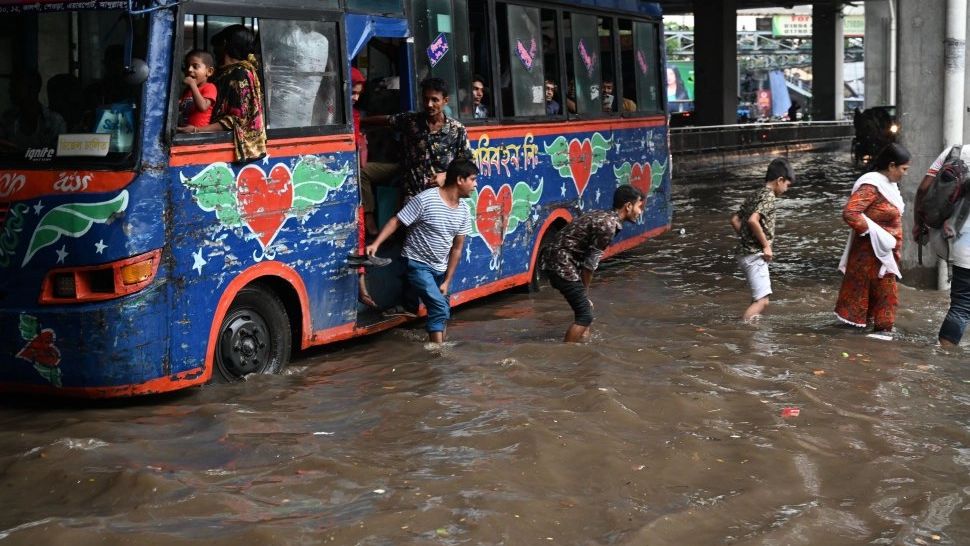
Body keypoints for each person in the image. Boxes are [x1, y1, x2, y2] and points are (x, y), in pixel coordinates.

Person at [364, 159, 478, 343]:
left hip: (440, 268)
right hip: (417, 264)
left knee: (441, 310)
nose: (475, 185)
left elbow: (457, 249)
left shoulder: (464, 210)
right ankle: (439, 352)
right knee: (440, 307)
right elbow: (397, 221)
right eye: (472, 179)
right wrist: (375, 244)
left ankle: (437, 351)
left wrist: (447, 281)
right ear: (459, 180)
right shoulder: (426, 199)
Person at [540, 185, 645, 342]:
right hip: (561, 264)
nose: (640, 212)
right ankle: (566, 355)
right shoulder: (608, 225)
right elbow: (590, 265)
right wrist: (585, 292)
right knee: (585, 316)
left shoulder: (604, 216)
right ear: (628, 206)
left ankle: (583, 345)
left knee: (585, 309)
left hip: (557, 261)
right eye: (639, 206)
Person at [835, 143, 911, 334]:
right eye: (904, 169)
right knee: (887, 300)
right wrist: (879, 234)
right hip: (872, 254)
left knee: (873, 301)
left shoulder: (889, 186)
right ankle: (884, 346)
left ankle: (865, 345)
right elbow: (850, 213)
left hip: (882, 254)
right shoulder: (871, 185)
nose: (905, 173)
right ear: (892, 166)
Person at [361, 77, 473, 200]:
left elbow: (468, 165)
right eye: (426, 99)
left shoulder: (457, 129)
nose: (429, 104)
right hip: (412, 197)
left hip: (440, 199)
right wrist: (357, 122)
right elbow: (386, 120)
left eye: (435, 100)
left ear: (445, 101)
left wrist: (446, 176)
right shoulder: (410, 121)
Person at [914, 145, 970, 346]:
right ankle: (945, 354)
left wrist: (918, 224)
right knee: (963, 306)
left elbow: (923, 189)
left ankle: (944, 355)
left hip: (951, 241)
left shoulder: (956, 151)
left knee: (961, 305)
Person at [186, 25, 266, 162]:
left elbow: (236, 120)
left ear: (224, 44)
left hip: (228, 149)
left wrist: (196, 131)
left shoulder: (240, 74)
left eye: (216, 47)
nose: (214, 52)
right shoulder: (225, 72)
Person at [729, 158, 795, 322]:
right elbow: (753, 220)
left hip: (744, 254)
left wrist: (746, 239)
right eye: (787, 185)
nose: (786, 189)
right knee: (763, 301)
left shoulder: (755, 194)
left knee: (756, 299)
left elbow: (735, 220)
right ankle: (741, 330)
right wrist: (766, 246)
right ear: (780, 180)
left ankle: (752, 329)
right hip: (755, 256)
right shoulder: (769, 197)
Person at [0, 69, 66, 152]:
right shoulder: (7, 119)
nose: (10, 90)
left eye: (15, 86)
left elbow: (59, 159)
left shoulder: (55, 121)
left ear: (32, 89)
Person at [176, 49, 218, 130]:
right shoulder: (188, 91)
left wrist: (192, 85)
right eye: (187, 66)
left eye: (195, 66)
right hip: (185, 131)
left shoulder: (210, 87)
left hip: (199, 135)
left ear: (209, 71)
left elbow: (203, 107)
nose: (189, 70)